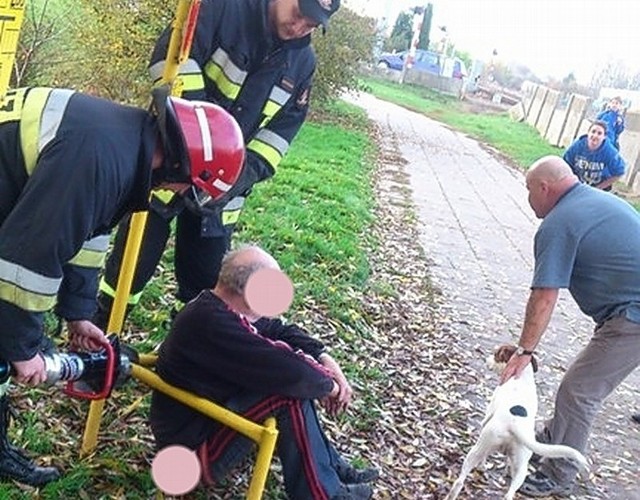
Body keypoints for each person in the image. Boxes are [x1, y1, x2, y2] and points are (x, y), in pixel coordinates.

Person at [0, 87, 244, 485]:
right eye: (189, 187)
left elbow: (86, 240)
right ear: (184, 164)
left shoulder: (125, 148)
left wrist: (78, 313)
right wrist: (21, 349)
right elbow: (25, 262)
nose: (177, 194)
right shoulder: (100, 161)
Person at [94, 0, 341, 328]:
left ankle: (192, 354)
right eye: (298, 14)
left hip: (222, 192)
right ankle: (100, 341)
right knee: (129, 267)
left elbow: (279, 136)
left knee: (209, 284)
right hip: (168, 167)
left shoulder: (302, 63)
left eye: (310, 25)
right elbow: (168, 60)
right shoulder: (221, 8)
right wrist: (200, 139)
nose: (299, 28)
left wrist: (237, 178)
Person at [149, 245, 378, 499]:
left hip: (208, 423)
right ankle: (326, 495)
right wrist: (332, 386)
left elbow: (280, 331)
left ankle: (333, 471)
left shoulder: (222, 307)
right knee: (288, 395)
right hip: (190, 453)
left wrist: (324, 357)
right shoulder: (213, 324)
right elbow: (294, 372)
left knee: (293, 384)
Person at [500, 156, 640, 497]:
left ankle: (560, 472)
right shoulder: (597, 200)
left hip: (633, 316)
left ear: (544, 188)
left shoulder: (559, 223)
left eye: (528, 189)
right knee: (580, 384)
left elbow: (545, 296)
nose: (528, 197)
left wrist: (525, 350)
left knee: (579, 392)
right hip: (625, 311)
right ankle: (550, 440)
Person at [562, 120, 625, 191]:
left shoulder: (610, 152)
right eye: (593, 131)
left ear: (604, 137)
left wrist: (598, 188)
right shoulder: (577, 146)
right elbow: (564, 164)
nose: (595, 135)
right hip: (577, 184)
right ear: (588, 133)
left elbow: (619, 172)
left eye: (599, 133)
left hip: (599, 188)